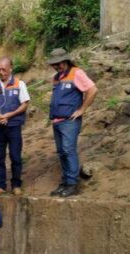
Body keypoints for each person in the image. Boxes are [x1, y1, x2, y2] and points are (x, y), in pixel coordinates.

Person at [46, 48, 98, 198]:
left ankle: (72, 184)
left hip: (70, 121)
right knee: (62, 152)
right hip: (57, 120)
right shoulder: (56, 77)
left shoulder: (77, 73)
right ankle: (65, 183)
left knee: (68, 150)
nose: (56, 66)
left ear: (65, 60)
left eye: (59, 63)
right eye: (54, 64)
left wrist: (82, 109)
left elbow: (93, 90)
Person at [0, 57, 31, 197]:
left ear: (10, 68)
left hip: (13, 126)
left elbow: (24, 104)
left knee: (15, 156)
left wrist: (9, 115)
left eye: (4, 69)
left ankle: (16, 185)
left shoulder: (19, 84)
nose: (1, 72)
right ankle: (0, 185)